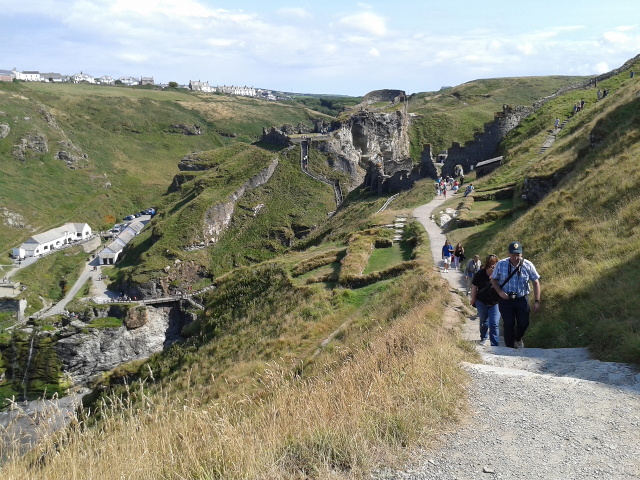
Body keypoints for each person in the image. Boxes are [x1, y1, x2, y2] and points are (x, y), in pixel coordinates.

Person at [490, 241, 541, 349]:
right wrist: (500, 292)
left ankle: (517, 338)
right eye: (513, 255)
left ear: (521, 254)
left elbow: (536, 282)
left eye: (517, 255)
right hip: (505, 300)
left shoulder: (528, 265)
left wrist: (537, 301)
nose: (515, 257)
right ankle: (509, 349)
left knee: (524, 323)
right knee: (508, 324)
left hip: (521, 299)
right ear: (509, 254)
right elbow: (493, 279)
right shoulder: (501, 264)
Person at [470, 255, 501, 346]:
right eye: (491, 264)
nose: (492, 266)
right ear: (487, 264)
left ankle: (494, 344)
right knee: (484, 321)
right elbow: (474, 287)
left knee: (494, 323)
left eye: (494, 264)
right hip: (481, 302)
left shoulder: (500, 274)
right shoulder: (480, 273)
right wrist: (473, 299)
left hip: (495, 302)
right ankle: (483, 338)